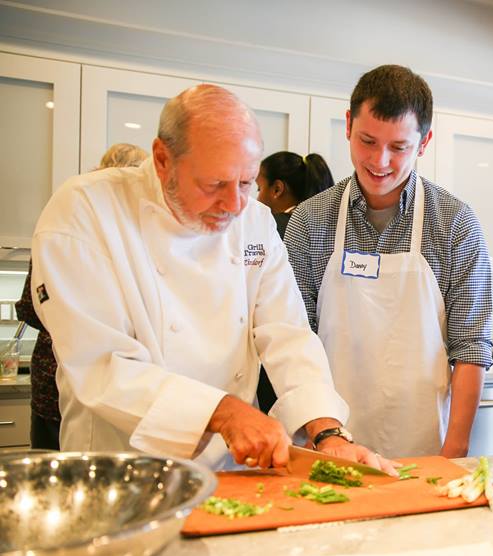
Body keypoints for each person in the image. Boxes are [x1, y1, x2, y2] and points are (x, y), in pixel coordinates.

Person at [30, 84, 395, 473]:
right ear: (161, 159)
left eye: (245, 183)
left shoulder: (254, 221)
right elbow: (101, 364)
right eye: (214, 185)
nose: (234, 206)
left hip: (233, 467)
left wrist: (327, 432)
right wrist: (223, 413)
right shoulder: (84, 212)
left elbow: (287, 332)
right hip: (122, 469)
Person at [285, 65, 493, 459]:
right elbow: (297, 339)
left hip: (425, 446)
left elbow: (470, 348)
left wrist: (455, 450)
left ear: (424, 141)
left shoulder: (454, 223)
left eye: (399, 147)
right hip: (326, 443)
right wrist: (320, 436)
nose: (380, 160)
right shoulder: (310, 221)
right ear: (348, 125)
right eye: (367, 140)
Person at [15, 143, 148, 450]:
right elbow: (36, 306)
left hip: (92, 373)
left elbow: (28, 308)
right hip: (61, 372)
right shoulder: (70, 220)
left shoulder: (83, 219)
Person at [254, 151, 335, 414]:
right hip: (317, 365)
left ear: (277, 189)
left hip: (279, 368)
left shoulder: (271, 227)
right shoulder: (326, 225)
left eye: (256, 187)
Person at [256, 151, 334, 239]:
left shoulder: (271, 227)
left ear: (277, 189)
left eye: (259, 189)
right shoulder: (323, 225)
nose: (257, 199)